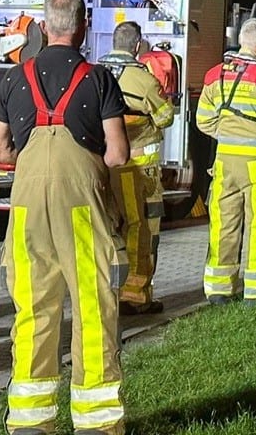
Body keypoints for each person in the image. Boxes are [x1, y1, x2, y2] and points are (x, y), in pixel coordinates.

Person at [0, 0, 131, 435]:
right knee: (92, 307)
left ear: (44, 28)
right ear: (83, 26)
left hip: (28, 205)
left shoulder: (13, 78)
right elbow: (119, 154)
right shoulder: (99, 78)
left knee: (33, 308)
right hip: (82, 205)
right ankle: (96, 424)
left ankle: (31, 421)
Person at [196, 17, 256, 303]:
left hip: (224, 162)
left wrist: (226, 133)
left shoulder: (215, 75)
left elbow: (203, 121)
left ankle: (218, 289)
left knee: (223, 223)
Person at [99, 20, 175, 315]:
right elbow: (165, 115)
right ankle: (136, 295)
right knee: (141, 230)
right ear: (137, 45)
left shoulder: (95, 72)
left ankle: (106, 292)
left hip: (104, 168)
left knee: (109, 228)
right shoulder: (141, 79)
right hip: (138, 170)